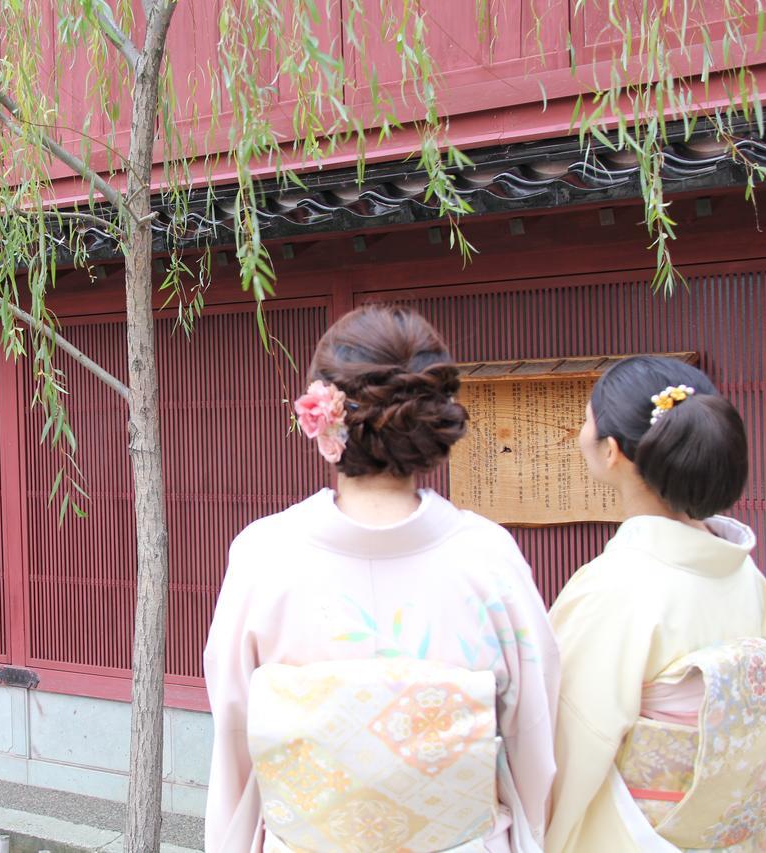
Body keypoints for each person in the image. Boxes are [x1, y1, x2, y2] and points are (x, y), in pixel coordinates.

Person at [203, 303, 560, 853]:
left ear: (325, 412)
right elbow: (534, 735)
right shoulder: (489, 558)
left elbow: (234, 736)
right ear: (432, 418)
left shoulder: (264, 554)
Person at [547, 356, 766, 852]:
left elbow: (572, 744)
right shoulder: (744, 573)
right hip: (720, 834)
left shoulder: (614, 587)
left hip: (633, 834)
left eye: (587, 419)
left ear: (610, 451)